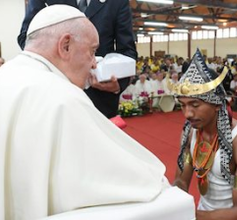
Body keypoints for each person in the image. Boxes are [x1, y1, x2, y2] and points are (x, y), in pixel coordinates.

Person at [0, 5, 166, 220]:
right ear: (65, 46)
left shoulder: (6, 75)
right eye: (93, 52)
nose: (94, 64)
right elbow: (134, 179)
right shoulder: (64, 98)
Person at [170, 49, 237, 220]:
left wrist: (189, 215)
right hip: (204, 212)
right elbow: (181, 181)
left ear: (217, 104)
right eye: (183, 105)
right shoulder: (189, 131)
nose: (187, 114)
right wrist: (170, 204)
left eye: (195, 104)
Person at [17, 0, 137, 119]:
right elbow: (27, 38)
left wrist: (117, 85)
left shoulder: (117, 2)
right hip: (54, 95)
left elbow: (128, 52)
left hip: (99, 101)